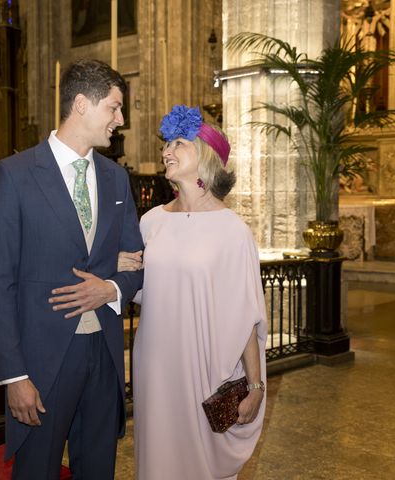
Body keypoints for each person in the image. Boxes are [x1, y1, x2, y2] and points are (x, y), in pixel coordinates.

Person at [0, 59, 144, 480]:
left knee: (97, 470)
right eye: (113, 107)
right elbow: (1, 283)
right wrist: (14, 375)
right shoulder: (15, 175)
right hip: (42, 362)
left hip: (104, 358)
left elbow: (137, 264)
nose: (120, 119)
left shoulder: (115, 179)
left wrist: (110, 288)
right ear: (80, 104)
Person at [119, 105, 268, 479]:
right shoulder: (151, 221)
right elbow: (140, 287)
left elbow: (245, 314)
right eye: (166, 144)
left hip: (207, 363)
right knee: (159, 454)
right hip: (155, 362)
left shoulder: (232, 230)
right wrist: (123, 266)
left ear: (204, 155)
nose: (166, 151)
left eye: (178, 143)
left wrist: (255, 385)